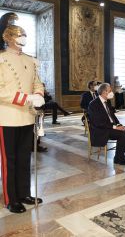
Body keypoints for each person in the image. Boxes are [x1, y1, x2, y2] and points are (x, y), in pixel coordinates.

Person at [0, 12, 46, 213]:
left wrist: (38, 94)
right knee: (9, 160)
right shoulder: (1, 60)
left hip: (27, 115)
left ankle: (24, 192)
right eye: (19, 35)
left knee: (24, 157)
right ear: (9, 38)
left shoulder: (31, 60)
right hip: (8, 116)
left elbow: (37, 81)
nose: (23, 38)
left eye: (24, 35)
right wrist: (25, 98)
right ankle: (11, 199)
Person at [87, 83, 125, 165]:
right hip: (101, 130)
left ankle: (121, 155)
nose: (111, 92)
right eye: (110, 90)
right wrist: (115, 127)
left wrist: (119, 125)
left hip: (110, 127)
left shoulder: (107, 102)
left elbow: (113, 116)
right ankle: (118, 158)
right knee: (122, 134)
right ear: (104, 92)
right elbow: (98, 123)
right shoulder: (93, 104)